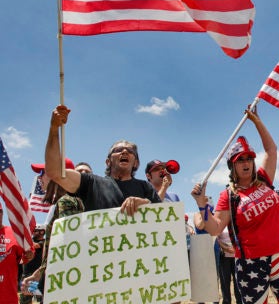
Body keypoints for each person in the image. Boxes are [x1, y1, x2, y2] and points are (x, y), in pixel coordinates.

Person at [191, 106, 279, 304]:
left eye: (249, 158)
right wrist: (202, 205)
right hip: (250, 263)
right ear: (232, 165)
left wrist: (257, 121)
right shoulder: (227, 195)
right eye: (240, 160)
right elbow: (215, 228)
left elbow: (271, 149)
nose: (246, 163)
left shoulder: (264, 179)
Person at [44, 105, 161, 214]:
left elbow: (161, 214)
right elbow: (55, 172)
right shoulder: (90, 183)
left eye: (130, 151)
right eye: (118, 150)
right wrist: (54, 128)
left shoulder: (145, 187)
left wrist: (146, 204)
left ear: (136, 163)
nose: (125, 152)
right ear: (108, 162)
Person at [20, 160, 86, 299]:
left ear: (57, 175)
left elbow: (66, 246)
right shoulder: (58, 204)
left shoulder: (66, 202)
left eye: (43, 173)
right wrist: (38, 274)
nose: (39, 178)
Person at [0, 204, 27, 304]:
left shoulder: (14, 233)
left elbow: (26, 257)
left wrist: (30, 253)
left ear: (2, 213)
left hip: (8, 298)